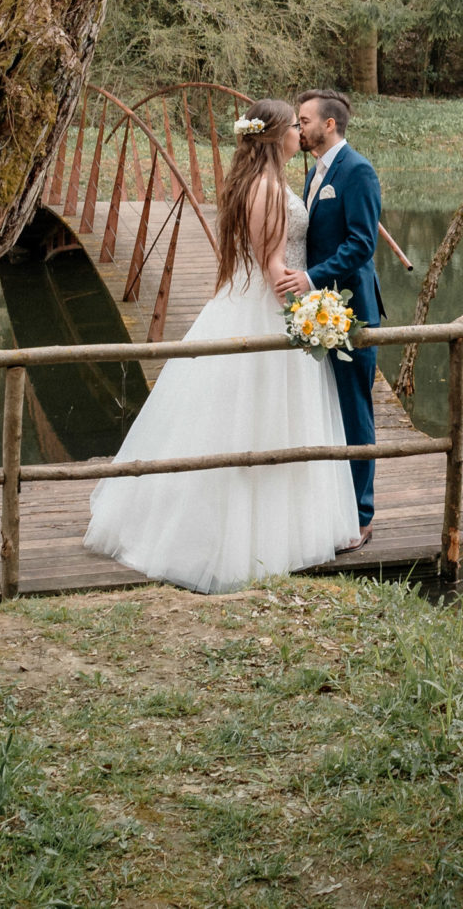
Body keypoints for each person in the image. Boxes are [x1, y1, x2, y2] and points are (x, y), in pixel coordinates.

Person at [82, 98, 359, 589]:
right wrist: (314, 309)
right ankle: (252, 540)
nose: (300, 132)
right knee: (266, 420)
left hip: (246, 301)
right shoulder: (270, 189)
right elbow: (274, 268)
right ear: (275, 136)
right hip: (271, 312)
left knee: (253, 420)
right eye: (294, 127)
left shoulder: (257, 183)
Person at [276, 87, 383, 547]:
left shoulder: (357, 171)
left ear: (329, 125)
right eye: (298, 121)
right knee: (329, 411)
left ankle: (362, 516)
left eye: (304, 120)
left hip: (352, 310)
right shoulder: (316, 172)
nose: (299, 127)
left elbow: (362, 243)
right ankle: (333, 506)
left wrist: (311, 276)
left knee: (356, 411)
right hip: (320, 311)